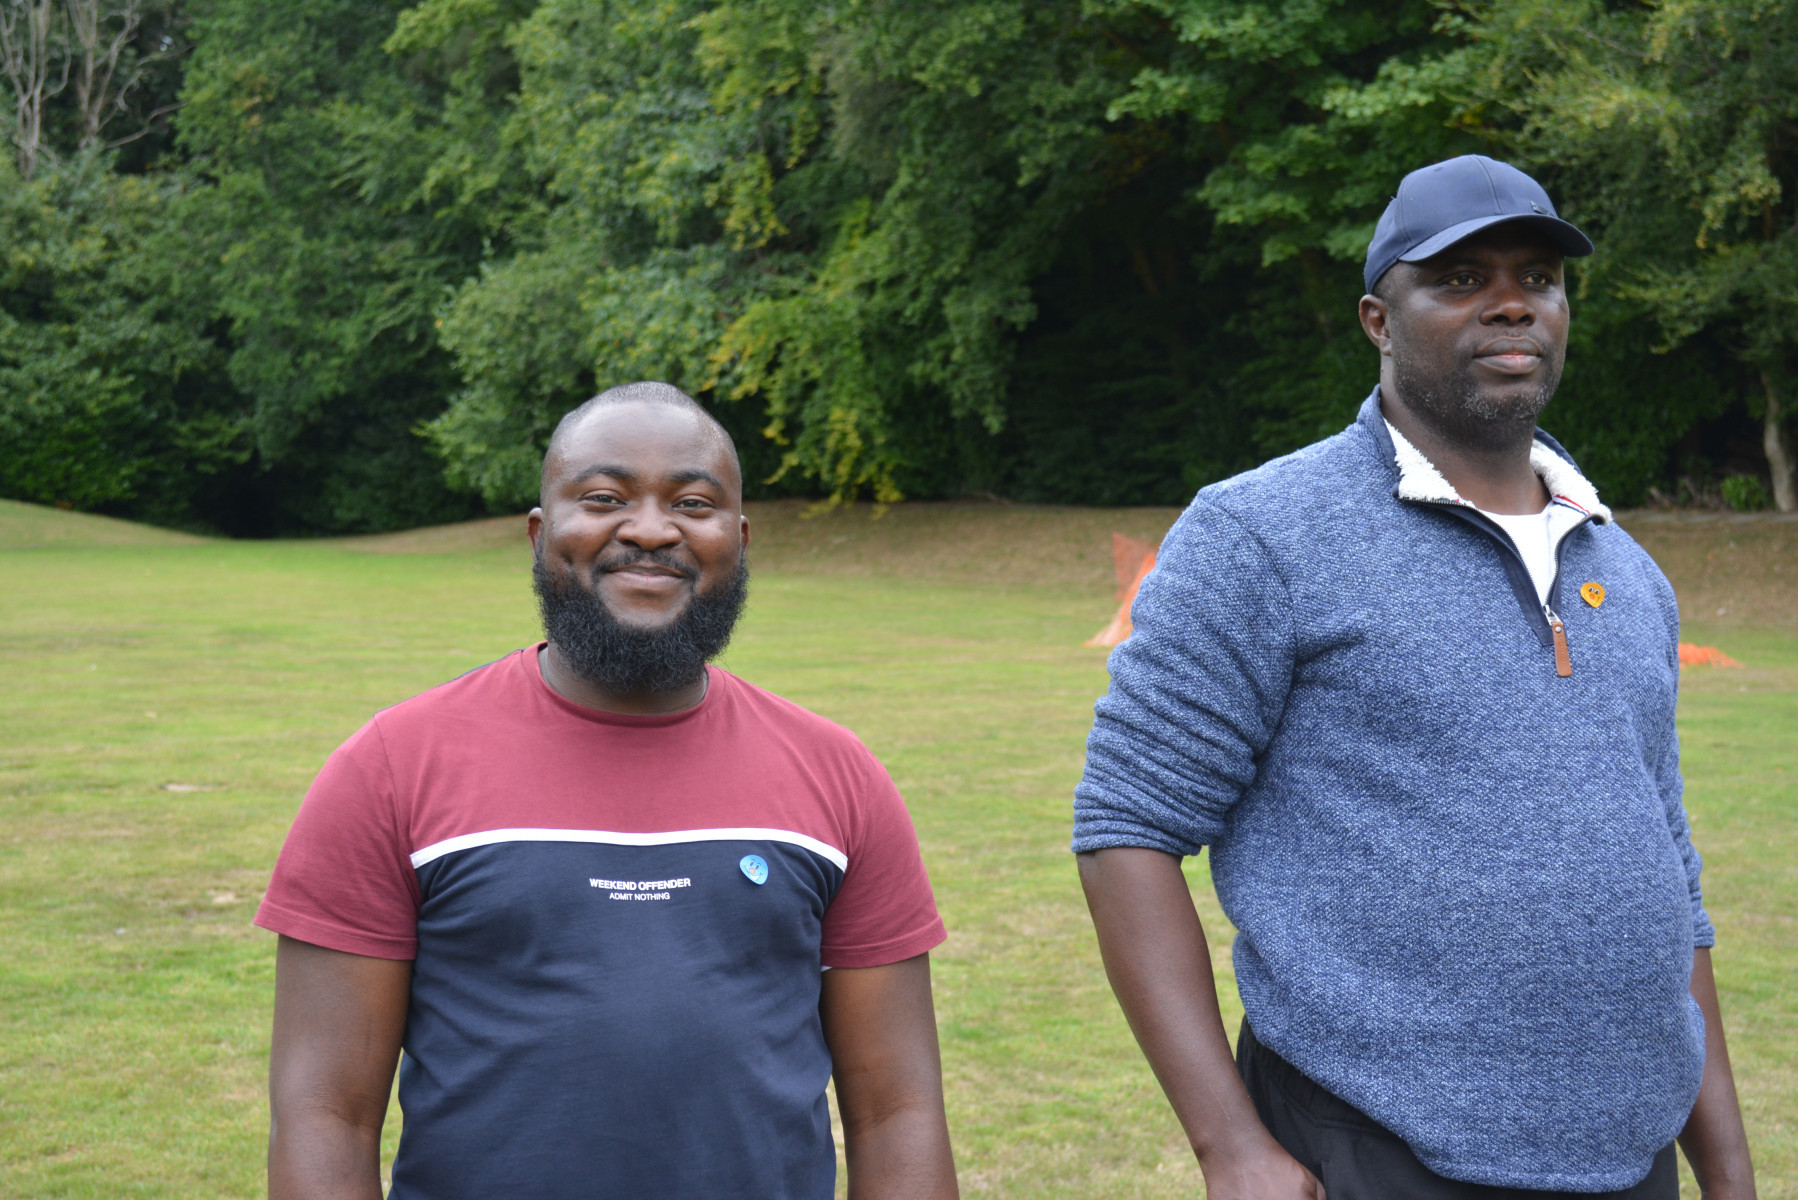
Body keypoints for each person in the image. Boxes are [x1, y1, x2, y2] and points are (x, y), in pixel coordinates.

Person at [1073, 156, 1758, 1199]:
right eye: (1460, 279)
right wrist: (1230, 1146)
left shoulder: (1628, 571)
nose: (1512, 305)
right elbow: (1126, 826)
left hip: (1630, 1159)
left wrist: (1729, 1170)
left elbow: (1670, 875)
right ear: (1378, 322)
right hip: (1376, 1148)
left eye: (1538, 278)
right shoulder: (1261, 536)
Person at [256, 382, 960, 1200]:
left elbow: (898, 1113)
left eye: (692, 503)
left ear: (738, 540)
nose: (651, 530)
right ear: (539, 533)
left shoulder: (837, 774)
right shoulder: (391, 767)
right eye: (603, 498)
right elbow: (324, 1115)